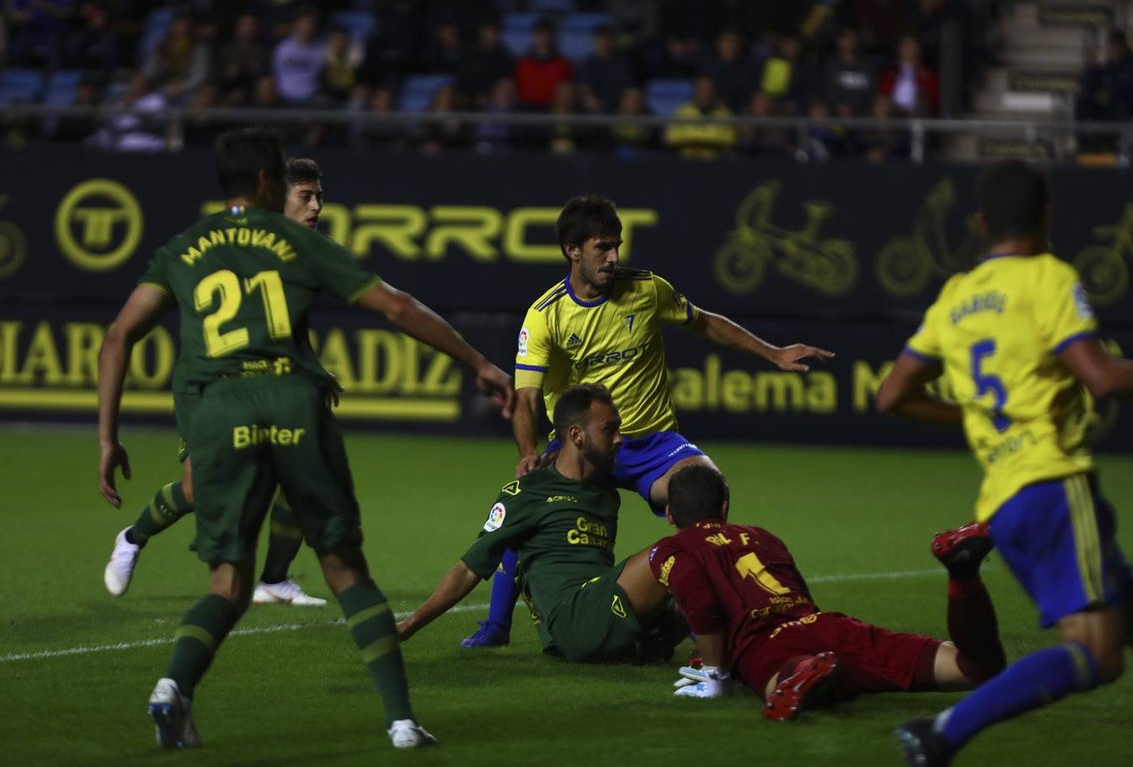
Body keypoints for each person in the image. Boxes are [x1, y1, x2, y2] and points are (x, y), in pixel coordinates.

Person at [96, 127, 515, 750]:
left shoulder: (183, 249)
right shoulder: (294, 241)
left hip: (218, 412)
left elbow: (117, 337)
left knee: (228, 584)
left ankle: (173, 688)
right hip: (293, 401)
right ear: (268, 182)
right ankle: (401, 721)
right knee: (346, 568)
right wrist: (477, 362)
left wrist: (108, 437)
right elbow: (396, 306)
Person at [461, 194, 833, 648]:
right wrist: (527, 453)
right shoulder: (545, 316)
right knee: (526, 508)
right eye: (602, 247)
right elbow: (525, 398)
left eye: (617, 245)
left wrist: (771, 352)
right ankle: (496, 626)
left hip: (653, 444)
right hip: (584, 446)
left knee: (708, 494)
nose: (613, 257)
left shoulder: (647, 289)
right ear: (571, 250)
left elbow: (704, 322)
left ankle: (704, 632)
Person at [877, 159, 1133, 766]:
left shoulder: (957, 296)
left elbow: (892, 395)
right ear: (1047, 217)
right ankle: (942, 732)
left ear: (981, 222)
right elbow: (1099, 378)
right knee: (1097, 653)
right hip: (1051, 484)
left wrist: (968, 419)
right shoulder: (1048, 277)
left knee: (1119, 605)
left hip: (1005, 505)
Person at [103, 157, 331, 608]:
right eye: (306, 196)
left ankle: (275, 579)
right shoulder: (218, 247)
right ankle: (132, 537)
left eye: (319, 196)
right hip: (208, 383)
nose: (317, 207)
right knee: (199, 490)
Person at [649, 464, 1006, 720]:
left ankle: (804, 671)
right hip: (825, 624)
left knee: (780, 678)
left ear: (669, 515)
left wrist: (716, 676)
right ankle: (962, 575)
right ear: (724, 507)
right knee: (976, 667)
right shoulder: (762, 536)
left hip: (763, 646)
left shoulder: (670, 549)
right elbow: (796, 593)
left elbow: (702, 603)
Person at [398, 384, 683, 663]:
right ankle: (705, 664)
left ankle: (665, 649)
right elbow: (467, 570)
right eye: (609, 429)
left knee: (706, 579)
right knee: (673, 553)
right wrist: (407, 627)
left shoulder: (605, 494)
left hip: (602, 609)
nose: (620, 439)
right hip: (572, 618)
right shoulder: (528, 493)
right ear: (577, 435)